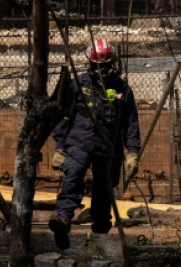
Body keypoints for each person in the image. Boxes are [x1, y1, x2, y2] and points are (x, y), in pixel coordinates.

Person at [49, 38, 141, 250]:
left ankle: (99, 234)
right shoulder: (78, 85)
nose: (102, 70)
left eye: (106, 65)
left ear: (113, 63)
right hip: (79, 142)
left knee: (104, 190)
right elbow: (64, 116)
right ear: (90, 63)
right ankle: (63, 219)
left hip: (109, 148)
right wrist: (60, 146)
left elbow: (131, 124)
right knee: (73, 175)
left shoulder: (123, 89)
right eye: (98, 65)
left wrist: (133, 153)